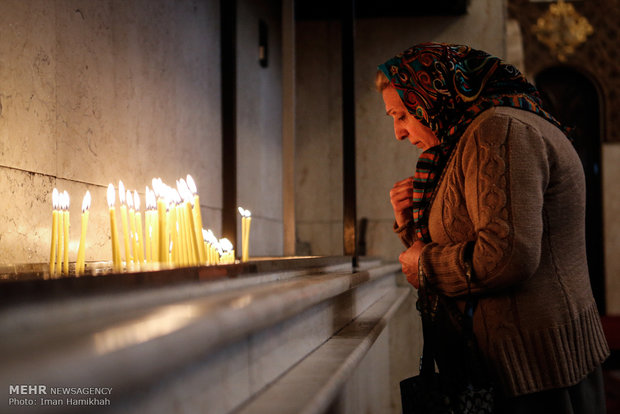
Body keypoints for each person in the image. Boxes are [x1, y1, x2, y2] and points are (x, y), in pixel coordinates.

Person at [377, 43, 609, 413]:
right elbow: (459, 238)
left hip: (535, 375)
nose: (399, 132)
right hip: (521, 365)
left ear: (432, 95)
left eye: (401, 114)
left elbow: (507, 256)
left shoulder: (499, 131)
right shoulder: (473, 136)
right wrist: (409, 225)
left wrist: (426, 266)